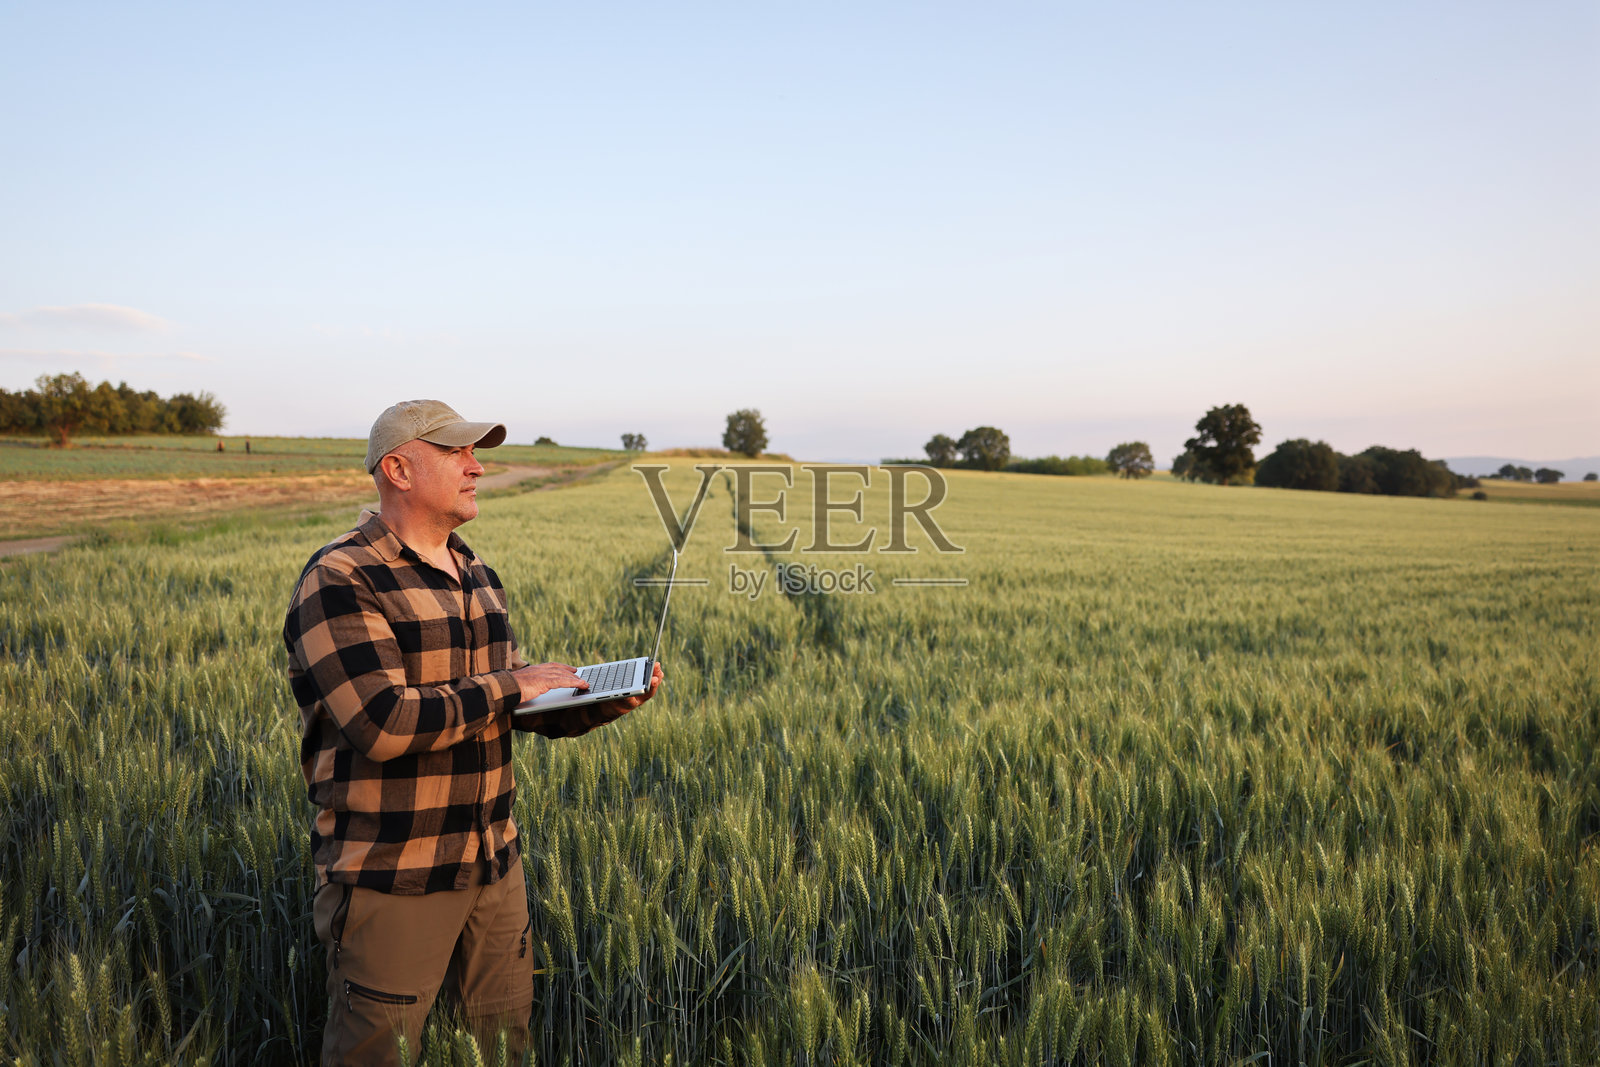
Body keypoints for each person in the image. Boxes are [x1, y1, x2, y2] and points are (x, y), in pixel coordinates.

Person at [283, 399, 663, 1064]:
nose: (477, 467)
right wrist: (513, 683)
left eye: (474, 453)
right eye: (456, 453)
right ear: (397, 469)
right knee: (376, 1052)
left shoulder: (477, 572)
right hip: (395, 876)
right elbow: (381, 722)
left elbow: (502, 706)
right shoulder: (341, 577)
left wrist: (602, 697)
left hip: (493, 866)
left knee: (503, 1045)